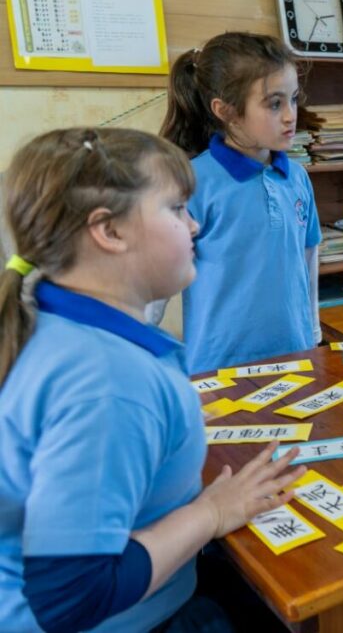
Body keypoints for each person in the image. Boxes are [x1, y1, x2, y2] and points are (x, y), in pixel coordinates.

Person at [0, 127, 305, 633]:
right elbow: (72, 597)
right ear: (109, 231)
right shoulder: (107, 383)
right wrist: (212, 513)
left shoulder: (53, 321)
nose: (193, 226)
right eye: (177, 208)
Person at [159, 32, 321, 374]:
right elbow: (156, 277)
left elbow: (308, 257)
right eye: (274, 104)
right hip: (218, 370)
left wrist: (314, 334)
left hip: (295, 359)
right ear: (226, 111)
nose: (291, 115)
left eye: (293, 99)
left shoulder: (297, 177)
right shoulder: (192, 182)